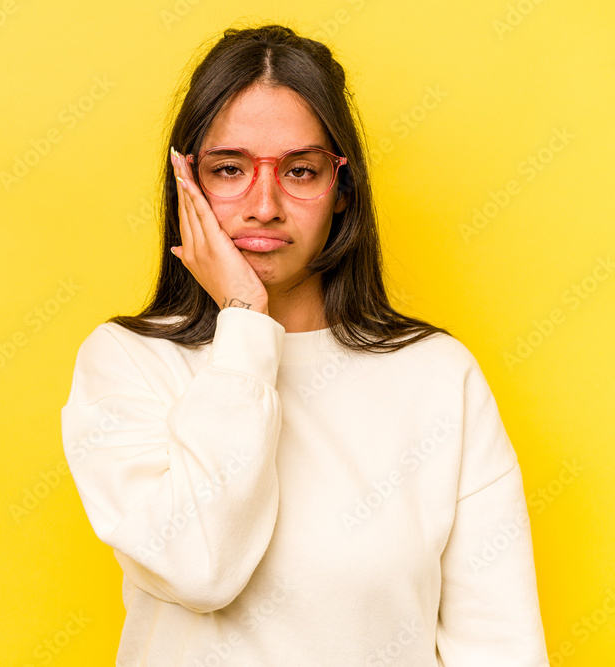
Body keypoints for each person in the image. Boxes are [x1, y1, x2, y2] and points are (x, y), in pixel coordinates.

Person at [60, 23, 548, 666]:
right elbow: (198, 568)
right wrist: (243, 320)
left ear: (342, 188)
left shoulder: (438, 377)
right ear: (187, 183)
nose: (264, 205)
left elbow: (500, 644)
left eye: (301, 171)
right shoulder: (126, 362)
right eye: (229, 169)